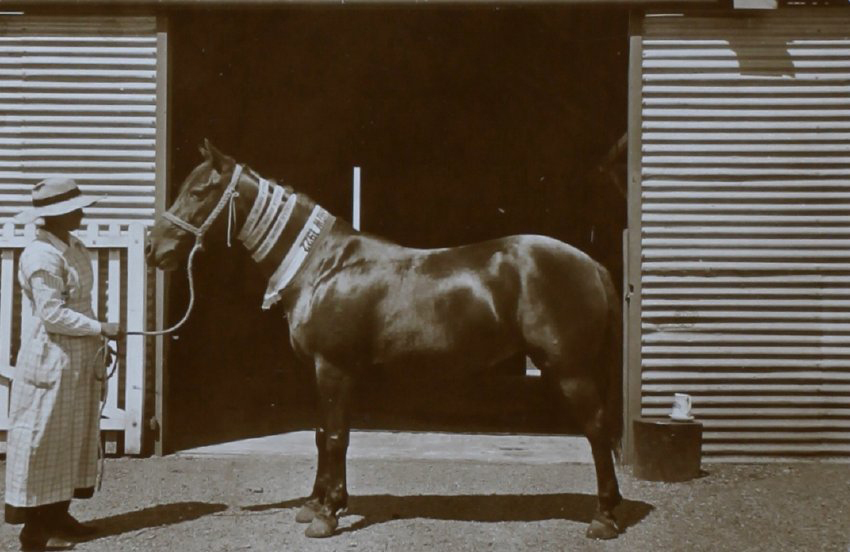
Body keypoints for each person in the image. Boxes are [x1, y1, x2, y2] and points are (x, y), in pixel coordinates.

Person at [5, 177, 124, 551]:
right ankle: (35, 530)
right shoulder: (40, 256)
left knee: (73, 435)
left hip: (80, 355)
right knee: (45, 440)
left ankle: (59, 516)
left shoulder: (74, 247)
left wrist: (98, 340)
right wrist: (100, 328)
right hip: (51, 358)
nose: (81, 213)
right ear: (53, 216)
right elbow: (52, 314)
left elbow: (80, 303)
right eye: (73, 209)